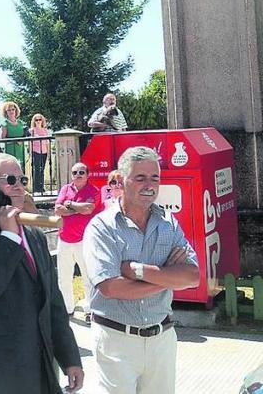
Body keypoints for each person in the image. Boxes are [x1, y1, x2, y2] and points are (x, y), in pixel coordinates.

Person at [0, 153, 84, 394]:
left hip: (38, 369)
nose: (20, 187)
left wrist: (70, 358)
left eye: (22, 180)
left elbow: (52, 301)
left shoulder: (33, 233)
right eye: (10, 180)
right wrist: (9, 237)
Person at [83, 147, 199, 394]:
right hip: (116, 340)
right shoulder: (102, 227)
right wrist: (168, 276)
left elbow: (192, 275)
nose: (150, 184)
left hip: (162, 340)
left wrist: (138, 271)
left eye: (155, 178)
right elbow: (111, 287)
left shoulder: (168, 223)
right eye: (140, 178)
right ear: (122, 181)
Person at [53, 162, 99, 318]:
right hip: (64, 240)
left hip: (84, 241)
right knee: (64, 277)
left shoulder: (94, 191)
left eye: (81, 172)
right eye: (75, 172)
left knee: (87, 276)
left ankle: (90, 309)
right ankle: (67, 308)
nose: (78, 175)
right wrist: (78, 209)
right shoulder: (65, 189)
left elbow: (89, 209)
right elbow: (58, 210)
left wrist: (70, 204)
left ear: (87, 175)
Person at [0, 101, 26, 168]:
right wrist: (14, 141)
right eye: (9, 110)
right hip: (10, 151)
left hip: (20, 151)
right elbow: (2, 139)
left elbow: (25, 136)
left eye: (13, 109)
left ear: (16, 110)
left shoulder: (21, 123)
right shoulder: (4, 124)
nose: (11, 111)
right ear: (6, 112)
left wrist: (21, 141)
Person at [29, 113, 50, 193]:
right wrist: (30, 153)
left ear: (42, 121)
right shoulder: (32, 130)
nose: (38, 121)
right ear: (34, 121)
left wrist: (48, 154)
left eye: (39, 119)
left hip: (44, 152)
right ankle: (36, 188)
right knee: (37, 170)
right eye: (36, 120)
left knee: (42, 170)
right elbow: (30, 142)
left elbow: (47, 142)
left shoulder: (45, 130)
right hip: (36, 151)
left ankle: (41, 187)